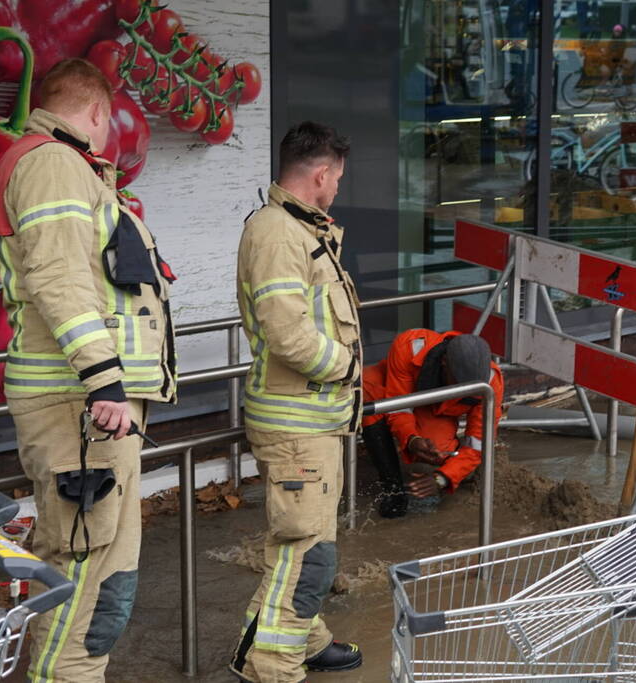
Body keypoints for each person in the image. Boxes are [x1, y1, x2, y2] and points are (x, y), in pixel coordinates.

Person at [0, 59, 177, 680]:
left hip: (92, 407)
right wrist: (106, 379)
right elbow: (61, 279)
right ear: (98, 111)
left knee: (103, 574)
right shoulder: (52, 164)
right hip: (82, 405)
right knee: (81, 565)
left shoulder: (67, 168)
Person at [231, 122, 363, 681]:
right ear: (321, 174)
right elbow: (288, 335)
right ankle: (268, 665)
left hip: (312, 418)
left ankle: (305, 639)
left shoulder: (297, 229)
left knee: (307, 544)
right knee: (306, 555)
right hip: (296, 424)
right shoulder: (279, 233)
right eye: (337, 179)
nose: (337, 190)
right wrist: (351, 368)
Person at [361, 330, 503, 518]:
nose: (465, 392)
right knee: (366, 390)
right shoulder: (410, 347)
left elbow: (479, 442)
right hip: (397, 391)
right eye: (459, 383)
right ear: (444, 362)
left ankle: (458, 473)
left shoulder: (491, 382)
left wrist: (442, 478)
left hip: (435, 412)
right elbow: (398, 407)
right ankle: (393, 490)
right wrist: (412, 439)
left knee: (439, 450)